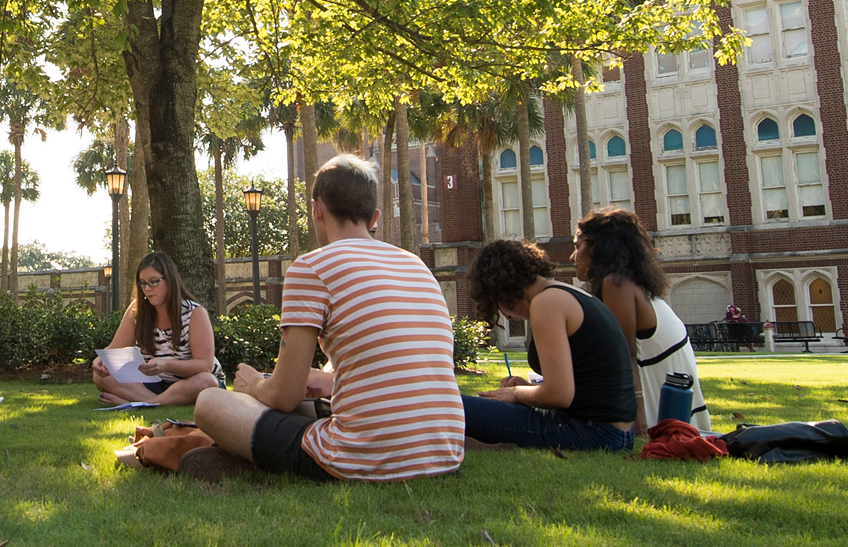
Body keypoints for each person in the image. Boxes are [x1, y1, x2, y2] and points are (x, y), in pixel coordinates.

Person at [190, 155, 464, 482]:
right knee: (305, 406)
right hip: (444, 453)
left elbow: (283, 396)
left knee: (209, 402)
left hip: (362, 459)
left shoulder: (312, 268)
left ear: (316, 209)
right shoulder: (416, 266)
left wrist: (255, 386)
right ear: (374, 217)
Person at [460, 239, 638, 451]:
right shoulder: (570, 294)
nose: (507, 315)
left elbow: (559, 395)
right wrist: (527, 390)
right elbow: (581, 389)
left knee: (446, 405)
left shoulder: (547, 303)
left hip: (593, 432)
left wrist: (516, 393)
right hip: (615, 432)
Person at [576, 209, 710, 431]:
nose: (573, 256)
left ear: (598, 248)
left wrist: (635, 421)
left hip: (662, 418)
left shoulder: (616, 284)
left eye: (577, 246)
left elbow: (623, 357)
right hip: (681, 415)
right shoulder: (634, 284)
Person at [92, 252, 221, 406]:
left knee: (206, 381)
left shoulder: (195, 313)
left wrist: (166, 365)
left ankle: (142, 402)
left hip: (189, 382)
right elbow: (114, 349)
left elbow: (204, 364)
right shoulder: (137, 310)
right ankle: (152, 402)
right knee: (101, 376)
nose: (147, 288)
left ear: (170, 280)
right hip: (153, 384)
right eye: (143, 283)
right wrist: (100, 361)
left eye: (154, 282)